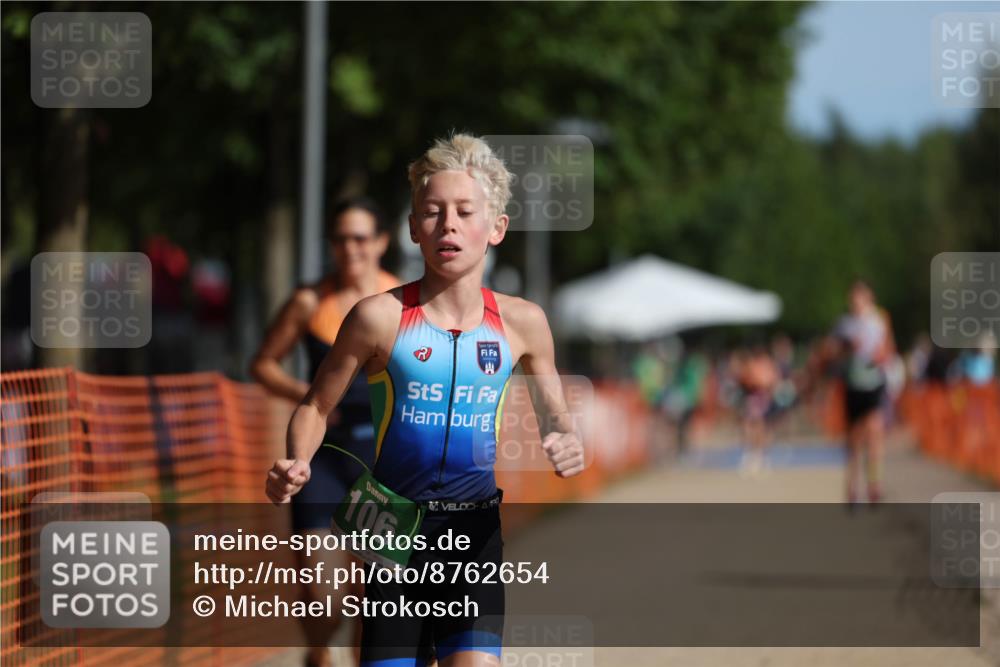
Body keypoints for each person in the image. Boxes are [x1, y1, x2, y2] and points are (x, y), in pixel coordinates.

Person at [265, 134, 585, 667]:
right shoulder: (377, 317)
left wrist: (567, 439)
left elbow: (556, 412)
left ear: (497, 228)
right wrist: (297, 461)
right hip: (393, 535)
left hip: (474, 533)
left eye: (465, 211)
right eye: (432, 213)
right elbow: (316, 407)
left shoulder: (523, 322)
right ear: (413, 229)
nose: (449, 225)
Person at [252, 197, 398, 667]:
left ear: (381, 242)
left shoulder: (405, 299)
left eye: (360, 237)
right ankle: (317, 647)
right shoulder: (309, 301)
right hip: (322, 456)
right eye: (340, 239)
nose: (349, 248)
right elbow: (262, 364)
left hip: (383, 460)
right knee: (324, 595)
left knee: (373, 598)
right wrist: (311, 393)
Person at [831, 280, 892, 509]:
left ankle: (874, 485)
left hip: (874, 384)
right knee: (854, 440)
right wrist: (847, 350)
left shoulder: (880, 319)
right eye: (853, 298)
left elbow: (888, 349)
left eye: (860, 297)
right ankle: (852, 487)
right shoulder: (844, 324)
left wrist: (881, 356)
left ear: (869, 299)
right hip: (853, 386)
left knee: (875, 434)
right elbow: (833, 354)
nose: (856, 302)